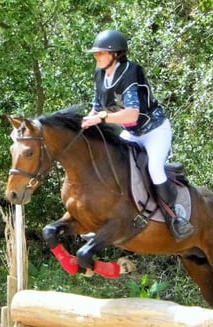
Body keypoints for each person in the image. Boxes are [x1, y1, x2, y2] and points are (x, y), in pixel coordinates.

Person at [80, 29, 194, 241]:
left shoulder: (131, 71)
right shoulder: (100, 75)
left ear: (115, 54)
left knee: (154, 168)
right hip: (132, 134)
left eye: (101, 53)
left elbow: (132, 114)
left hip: (154, 132)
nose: (96, 56)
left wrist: (102, 118)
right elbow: (96, 109)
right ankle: (109, 218)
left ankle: (175, 218)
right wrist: (83, 124)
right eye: (96, 53)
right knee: (114, 166)